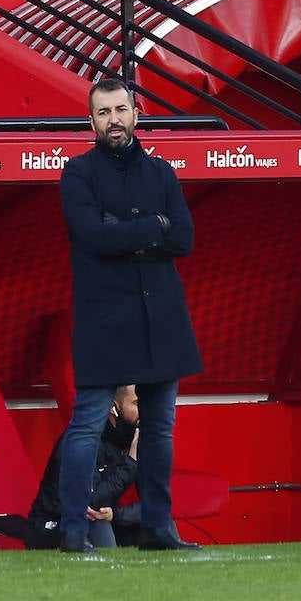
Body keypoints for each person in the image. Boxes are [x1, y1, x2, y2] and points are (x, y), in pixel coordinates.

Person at [56, 77, 203, 553]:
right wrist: (152, 228)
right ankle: (73, 532)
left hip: (161, 318)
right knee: (86, 422)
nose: (114, 120)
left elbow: (184, 238)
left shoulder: (162, 174)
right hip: (104, 320)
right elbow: (92, 236)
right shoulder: (77, 174)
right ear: (91, 120)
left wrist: (129, 231)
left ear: (136, 113)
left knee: (160, 427)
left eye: (121, 110)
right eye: (103, 113)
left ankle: (159, 529)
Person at [27, 385, 142, 549]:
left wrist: (116, 515)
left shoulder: (138, 436)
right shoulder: (84, 439)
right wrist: (132, 462)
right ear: (113, 408)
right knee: (97, 527)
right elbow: (92, 502)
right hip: (54, 523)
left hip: (101, 518)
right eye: (137, 404)